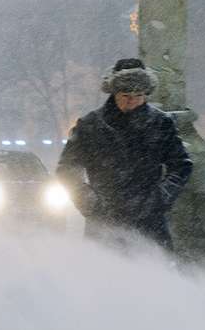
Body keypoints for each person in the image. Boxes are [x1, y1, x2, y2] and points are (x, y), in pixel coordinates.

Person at [56, 58, 193, 252]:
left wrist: (160, 198)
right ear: (114, 93)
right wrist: (90, 203)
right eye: (126, 95)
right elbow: (67, 169)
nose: (132, 101)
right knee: (104, 275)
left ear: (146, 93)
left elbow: (181, 165)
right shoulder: (90, 125)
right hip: (104, 219)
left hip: (149, 219)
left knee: (154, 275)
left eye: (138, 95)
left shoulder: (161, 124)